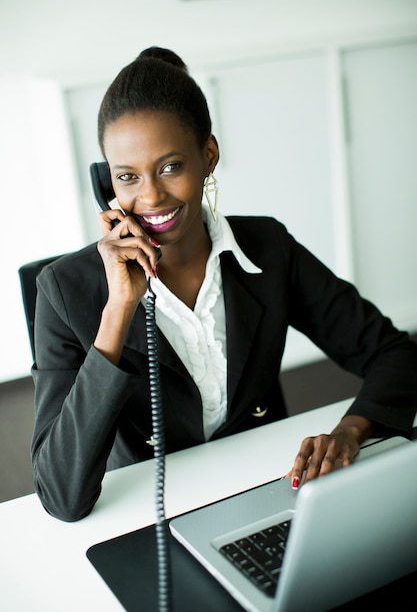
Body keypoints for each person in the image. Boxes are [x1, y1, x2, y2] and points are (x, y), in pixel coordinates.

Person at [31, 46, 417, 522]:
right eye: (127, 176)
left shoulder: (268, 248)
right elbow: (61, 497)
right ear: (107, 185)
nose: (150, 196)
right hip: (149, 515)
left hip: (267, 490)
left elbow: (395, 354)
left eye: (170, 166)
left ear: (208, 156)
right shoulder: (64, 291)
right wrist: (118, 312)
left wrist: (349, 433)